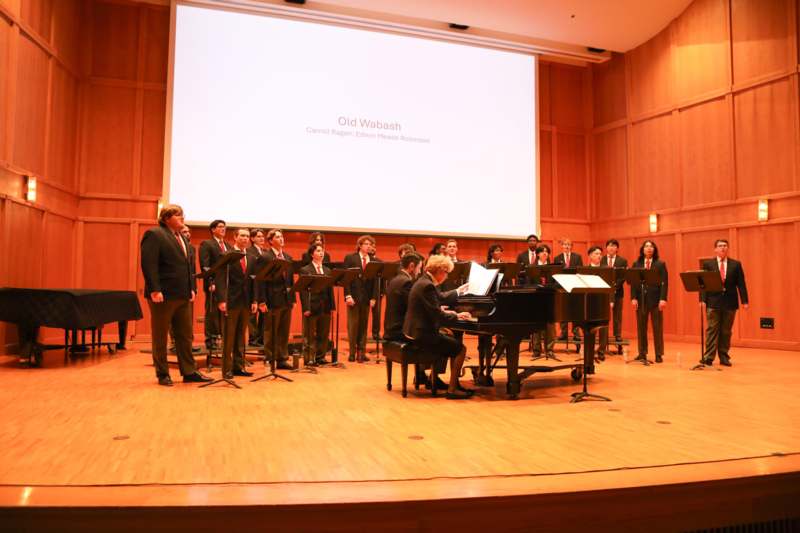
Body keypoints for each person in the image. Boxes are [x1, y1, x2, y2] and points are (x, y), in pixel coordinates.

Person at [140, 204, 211, 386]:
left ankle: (189, 371)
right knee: (161, 335)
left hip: (183, 295)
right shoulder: (155, 234)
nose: (182, 218)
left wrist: (192, 288)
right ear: (166, 218)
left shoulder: (183, 239)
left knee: (185, 335)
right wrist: (155, 289)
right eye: (178, 215)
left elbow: (189, 268)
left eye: (182, 215)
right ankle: (163, 373)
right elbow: (149, 264)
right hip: (163, 294)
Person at [403, 255, 474, 399]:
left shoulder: (423, 281)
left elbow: (436, 302)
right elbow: (437, 315)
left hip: (414, 330)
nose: (447, 276)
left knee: (448, 336)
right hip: (421, 334)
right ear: (440, 270)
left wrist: (457, 293)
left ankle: (436, 380)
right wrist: (457, 316)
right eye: (447, 272)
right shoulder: (427, 286)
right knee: (460, 349)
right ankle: (453, 389)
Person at [215, 228, 257, 379]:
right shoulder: (226, 255)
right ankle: (226, 370)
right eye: (242, 236)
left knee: (240, 336)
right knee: (229, 337)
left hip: (246, 302)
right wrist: (221, 299)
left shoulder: (251, 257)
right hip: (231, 301)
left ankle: (239, 366)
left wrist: (254, 300)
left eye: (247, 236)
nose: (245, 238)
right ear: (235, 237)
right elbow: (220, 278)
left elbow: (253, 281)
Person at [699, 239, 748, 367]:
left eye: (725, 246)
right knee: (712, 330)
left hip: (730, 302)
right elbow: (703, 284)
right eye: (720, 246)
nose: (723, 248)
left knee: (726, 331)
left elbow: (741, 284)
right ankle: (708, 357)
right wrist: (702, 300)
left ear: (728, 248)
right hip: (712, 302)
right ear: (715, 249)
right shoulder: (708, 264)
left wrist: (745, 301)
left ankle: (724, 357)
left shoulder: (736, 264)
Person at [261, 229, 294, 370]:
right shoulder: (265, 257)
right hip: (271, 299)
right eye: (278, 237)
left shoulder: (287, 257)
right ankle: (270, 358)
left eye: (282, 236)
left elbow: (290, 281)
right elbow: (260, 280)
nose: (281, 239)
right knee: (271, 330)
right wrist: (262, 300)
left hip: (286, 299)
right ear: (270, 241)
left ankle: (282, 358)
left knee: (283, 331)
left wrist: (292, 298)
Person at [630, 240, 668, 363]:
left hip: (656, 300)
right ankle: (642, 353)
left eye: (651, 246)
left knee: (657, 327)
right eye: (646, 246)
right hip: (641, 300)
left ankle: (658, 354)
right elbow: (633, 282)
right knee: (641, 327)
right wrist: (633, 297)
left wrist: (663, 298)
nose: (649, 248)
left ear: (654, 249)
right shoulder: (637, 264)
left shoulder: (660, 264)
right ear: (642, 249)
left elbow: (664, 283)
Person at [299, 243, 335, 366]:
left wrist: (332, 306)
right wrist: (306, 307)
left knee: (323, 334)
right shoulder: (305, 269)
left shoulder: (327, 270)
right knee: (309, 335)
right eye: (318, 251)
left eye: (322, 251)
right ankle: (308, 358)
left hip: (325, 306)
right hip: (312, 306)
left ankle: (320, 357)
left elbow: (330, 290)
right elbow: (303, 291)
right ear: (312, 254)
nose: (321, 253)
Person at [343, 235, 377, 362]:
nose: (369, 246)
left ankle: (361, 352)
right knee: (353, 326)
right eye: (366, 244)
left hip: (367, 298)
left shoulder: (373, 260)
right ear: (360, 245)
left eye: (370, 244)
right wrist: (347, 295)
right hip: (353, 297)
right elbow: (346, 279)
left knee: (363, 326)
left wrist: (374, 297)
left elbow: (375, 281)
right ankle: (352, 352)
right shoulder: (350, 258)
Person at [199, 219, 230, 351]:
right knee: (212, 313)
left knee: (226, 313)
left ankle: (224, 339)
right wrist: (210, 282)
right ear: (213, 229)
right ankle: (211, 340)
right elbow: (205, 266)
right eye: (220, 227)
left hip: (227, 285)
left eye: (224, 227)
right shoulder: (207, 244)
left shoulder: (228, 246)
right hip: (214, 284)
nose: (223, 229)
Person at [553, 237, 583, 341]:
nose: (567, 246)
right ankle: (564, 332)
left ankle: (576, 332)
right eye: (565, 244)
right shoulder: (557, 258)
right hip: (562, 287)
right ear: (562, 246)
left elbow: (580, 271)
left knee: (576, 311)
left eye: (569, 244)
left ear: (571, 246)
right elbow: (556, 273)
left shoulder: (577, 257)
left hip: (574, 287)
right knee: (563, 310)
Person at [530, 244, 557, 360]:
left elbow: (556, 283)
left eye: (547, 252)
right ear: (538, 254)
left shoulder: (553, 268)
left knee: (550, 325)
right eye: (542, 251)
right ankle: (536, 350)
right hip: (536, 299)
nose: (545, 253)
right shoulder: (532, 267)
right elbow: (529, 283)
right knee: (536, 326)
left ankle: (549, 350)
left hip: (550, 298)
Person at [585, 246, 610, 362]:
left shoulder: (606, 269)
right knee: (590, 327)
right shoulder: (585, 270)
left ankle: (601, 351)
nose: (599, 256)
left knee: (603, 327)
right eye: (596, 253)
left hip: (603, 300)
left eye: (600, 254)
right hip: (589, 301)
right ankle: (589, 351)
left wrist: (611, 300)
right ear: (590, 256)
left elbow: (611, 286)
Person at [605, 239, 628, 344]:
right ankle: (603, 334)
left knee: (617, 315)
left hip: (618, 291)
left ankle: (617, 334)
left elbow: (623, 276)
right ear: (606, 248)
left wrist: (614, 287)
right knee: (604, 314)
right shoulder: (601, 259)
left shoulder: (622, 261)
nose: (611, 248)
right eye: (609, 246)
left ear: (617, 248)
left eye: (613, 246)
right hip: (604, 292)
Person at [247, 228, 267, 347]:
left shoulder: (265, 252)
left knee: (264, 313)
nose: (261, 238)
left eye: (262, 236)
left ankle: (261, 338)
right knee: (252, 315)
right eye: (258, 236)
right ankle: (253, 339)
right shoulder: (249, 251)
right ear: (252, 238)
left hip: (263, 286)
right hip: (253, 285)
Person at [368, 240, 384, 341]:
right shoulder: (363, 261)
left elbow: (382, 278)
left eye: (374, 246)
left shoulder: (379, 262)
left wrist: (382, 291)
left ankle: (376, 333)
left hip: (377, 291)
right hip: (365, 290)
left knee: (377, 314)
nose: (372, 248)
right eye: (371, 246)